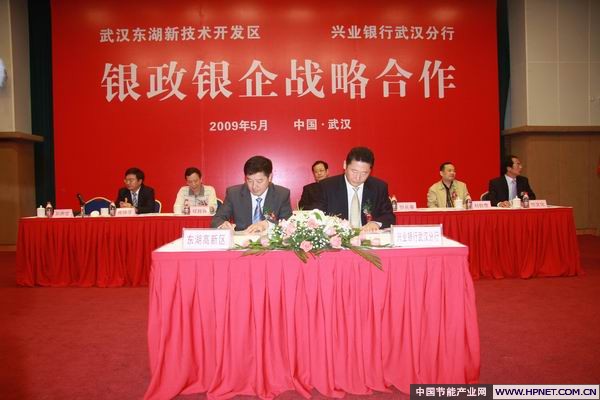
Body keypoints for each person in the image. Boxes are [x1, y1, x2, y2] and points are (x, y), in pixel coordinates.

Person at [314, 147, 394, 231]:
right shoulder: (326, 187)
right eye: (354, 171)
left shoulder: (379, 187)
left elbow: (389, 216)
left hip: (368, 237)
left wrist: (376, 223)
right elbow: (316, 217)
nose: (358, 177)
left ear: (370, 170)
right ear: (345, 165)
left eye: (364, 173)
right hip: (338, 237)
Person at [211, 155, 293, 232]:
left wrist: (268, 224)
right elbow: (217, 219)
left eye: (259, 181)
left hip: (269, 240)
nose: (254, 186)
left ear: (270, 177)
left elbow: (288, 223)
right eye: (249, 180)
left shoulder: (281, 194)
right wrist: (222, 225)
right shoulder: (234, 194)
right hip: (242, 240)